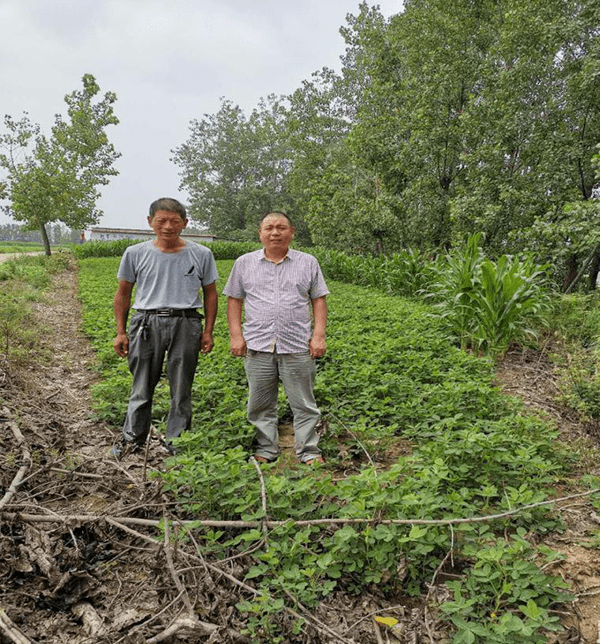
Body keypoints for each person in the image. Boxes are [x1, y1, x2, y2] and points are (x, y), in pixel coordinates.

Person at [110, 197, 218, 458]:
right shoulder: (135, 253)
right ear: (150, 222)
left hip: (186, 322)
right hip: (146, 322)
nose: (168, 226)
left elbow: (211, 293)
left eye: (174, 220)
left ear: (184, 223)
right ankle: (132, 439)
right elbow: (123, 293)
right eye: (161, 220)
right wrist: (121, 331)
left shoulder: (201, 254)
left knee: (181, 386)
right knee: (141, 384)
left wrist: (208, 331)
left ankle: (177, 442)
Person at [223, 211, 329, 465]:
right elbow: (234, 300)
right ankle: (266, 449)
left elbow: (319, 299)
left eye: (281, 227)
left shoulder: (308, 262)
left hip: (297, 345)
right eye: (269, 228)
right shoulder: (244, 263)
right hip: (258, 345)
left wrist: (318, 336)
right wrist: (236, 336)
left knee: (303, 403)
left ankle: (309, 452)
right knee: (260, 403)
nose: (275, 232)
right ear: (260, 233)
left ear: (292, 232)